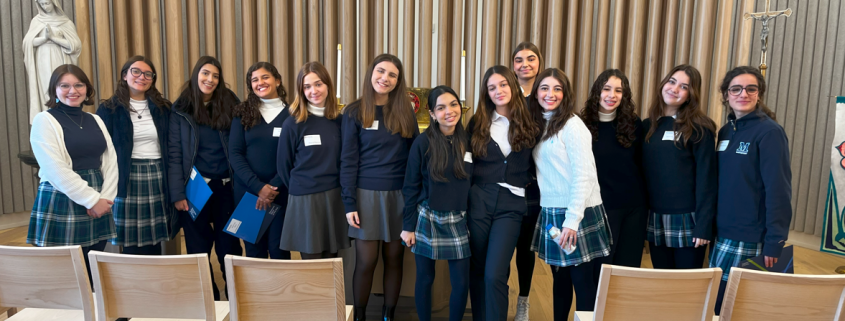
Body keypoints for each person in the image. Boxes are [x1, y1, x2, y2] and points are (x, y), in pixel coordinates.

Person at [341, 54, 418, 321]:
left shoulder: (405, 111)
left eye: (392, 75)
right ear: (371, 73)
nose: (385, 78)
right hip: (365, 197)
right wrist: (349, 202)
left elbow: (413, 160)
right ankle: (360, 316)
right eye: (381, 71)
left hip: (398, 195)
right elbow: (348, 160)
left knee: (395, 259)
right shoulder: (353, 111)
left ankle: (389, 316)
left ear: (398, 81)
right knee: (366, 261)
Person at [530, 68, 611, 320]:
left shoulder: (573, 125)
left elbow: (584, 175)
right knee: (560, 277)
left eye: (557, 89)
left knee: (582, 282)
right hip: (553, 210)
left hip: (577, 212)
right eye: (544, 88)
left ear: (565, 94)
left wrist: (572, 220)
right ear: (536, 93)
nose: (550, 94)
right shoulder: (540, 123)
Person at [710, 66, 791, 313]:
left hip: (751, 235)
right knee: (718, 304)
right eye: (736, 88)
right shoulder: (726, 131)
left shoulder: (770, 132)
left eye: (750, 88)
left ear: (759, 94)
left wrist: (775, 241)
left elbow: (779, 190)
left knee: (738, 307)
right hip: (723, 231)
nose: (743, 93)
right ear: (726, 94)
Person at [28, 64, 117, 282]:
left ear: (87, 89)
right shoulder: (44, 120)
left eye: (79, 84)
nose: (72, 90)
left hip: (98, 196)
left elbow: (110, 160)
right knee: (65, 273)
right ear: (54, 90)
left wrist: (106, 198)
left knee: (92, 265)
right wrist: (91, 200)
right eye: (64, 85)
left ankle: (95, 312)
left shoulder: (95, 119)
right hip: (62, 197)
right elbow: (54, 168)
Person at [467, 66, 539, 321]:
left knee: (495, 273)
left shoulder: (531, 121)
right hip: (480, 200)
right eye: (492, 87)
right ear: (486, 93)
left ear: (513, 85)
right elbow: (466, 163)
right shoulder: (478, 122)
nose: (498, 91)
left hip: (512, 205)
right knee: (477, 269)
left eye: (503, 85)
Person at [168, 56, 242, 300]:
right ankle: (209, 301)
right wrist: (178, 194)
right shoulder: (181, 109)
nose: (210, 79)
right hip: (195, 188)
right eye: (205, 73)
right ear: (196, 74)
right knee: (197, 248)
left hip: (226, 188)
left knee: (229, 246)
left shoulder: (230, 103)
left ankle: (235, 299)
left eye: (215, 76)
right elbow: (175, 154)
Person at [401, 86, 472, 321]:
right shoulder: (422, 143)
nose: (449, 111)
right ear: (432, 113)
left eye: (453, 104)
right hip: (427, 216)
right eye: (441, 108)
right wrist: (407, 226)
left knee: (461, 282)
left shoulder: (469, 141)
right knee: (425, 278)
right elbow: (410, 187)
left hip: (459, 219)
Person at [641, 65, 717, 270]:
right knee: (662, 282)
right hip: (656, 216)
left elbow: (707, 180)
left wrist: (704, 225)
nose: (674, 89)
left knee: (687, 287)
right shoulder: (648, 126)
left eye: (684, 87)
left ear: (691, 95)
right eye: (672, 82)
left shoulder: (701, 128)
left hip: (689, 219)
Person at [96, 56, 173, 255]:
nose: (142, 77)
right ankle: (131, 282)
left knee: (154, 236)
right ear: (124, 75)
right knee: (129, 237)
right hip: (126, 176)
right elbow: (102, 150)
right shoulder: (108, 109)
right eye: (136, 71)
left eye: (148, 74)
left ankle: (153, 279)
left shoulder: (163, 108)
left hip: (157, 174)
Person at [277, 62, 350, 260]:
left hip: (334, 197)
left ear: (328, 86)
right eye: (307, 87)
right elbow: (284, 166)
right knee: (312, 261)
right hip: (305, 199)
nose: (313, 91)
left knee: (331, 259)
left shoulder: (340, 121)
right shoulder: (293, 123)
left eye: (318, 84)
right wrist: (304, 185)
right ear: (301, 91)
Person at [579, 69, 648, 267]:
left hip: (633, 208)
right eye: (606, 89)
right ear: (597, 92)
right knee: (600, 267)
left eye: (618, 91)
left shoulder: (634, 124)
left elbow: (642, 166)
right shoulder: (582, 125)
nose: (612, 95)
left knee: (628, 267)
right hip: (600, 207)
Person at [229, 61, 291, 260]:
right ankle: (257, 293)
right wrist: (258, 187)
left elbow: (295, 156)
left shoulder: (294, 114)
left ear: (278, 81)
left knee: (279, 249)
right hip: (248, 193)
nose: (260, 83)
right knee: (254, 251)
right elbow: (235, 154)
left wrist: (272, 188)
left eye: (265, 77)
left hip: (281, 193)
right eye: (254, 80)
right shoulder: (242, 113)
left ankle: (281, 292)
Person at [510, 42, 544, 320]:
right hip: (508, 179)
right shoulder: (505, 95)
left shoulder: (546, 95)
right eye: (519, 60)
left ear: (539, 64)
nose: (525, 64)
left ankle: (523, 299)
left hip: (537, 183)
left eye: (531, 59)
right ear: (513, 66)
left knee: (525, 247)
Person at [23, 0, 82, 122]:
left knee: (61, 85)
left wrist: (54, 38)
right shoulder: (36, 21)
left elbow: (74, 45)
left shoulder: (65, 22)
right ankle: (48, 118)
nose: (45, 7)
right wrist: (44, 38)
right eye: (42, 4)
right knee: (46, 87)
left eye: (47, 3)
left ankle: (63, 114)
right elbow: (28, 43)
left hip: (59, 58)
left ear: (54, 3)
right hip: (42, 59)